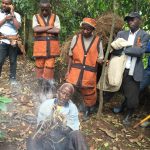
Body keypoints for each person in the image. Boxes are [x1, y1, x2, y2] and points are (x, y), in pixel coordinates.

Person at [111, 12, 149, 125]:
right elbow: (114, 49)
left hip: (133, 69)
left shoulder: (144, 35)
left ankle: (128, 115)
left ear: (139, 20)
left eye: (133, 19)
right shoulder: (122, 33)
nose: (130, 22)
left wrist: (124, 48)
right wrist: (132, 47)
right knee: (112, 87)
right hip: (119, 67)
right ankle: (97, 106)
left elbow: (140, 52)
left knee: (132, 96)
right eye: (128, 20)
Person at [27, 83, 88, 150]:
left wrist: (61, 125)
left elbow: (73, 129)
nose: (64, 97)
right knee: (32, 138)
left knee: (78, 134)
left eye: (67, 95)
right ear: (58, 92)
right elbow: (39, 126)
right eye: (63, 93)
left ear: (70, 98)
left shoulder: (72, 108)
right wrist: (45, 124)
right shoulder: (46, 104)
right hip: (48, 142)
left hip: (64, 143)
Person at [66, 18, 104, 120]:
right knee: (70, 88)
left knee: (89, 92)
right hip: (75, 71)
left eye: (88, 29)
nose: (85, 31)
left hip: (89, 72)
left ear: (93, 30)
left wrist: (101, 61)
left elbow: (100, 57)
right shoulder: (76, 38)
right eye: (84, 29)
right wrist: (67, 71)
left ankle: (88, 110)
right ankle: (68, 107)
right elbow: (70, 55)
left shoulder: (97, 41)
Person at [32, 0, 60, 90]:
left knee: (49, 69)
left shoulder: (56, 17)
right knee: (39, 69)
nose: (44, 12)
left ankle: (47, 90)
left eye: (46, 10)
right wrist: (49, 27)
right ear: (40, 9)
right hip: (39, 50)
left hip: (52, 49)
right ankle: (40, 89)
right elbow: (36, 29)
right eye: (42, 10)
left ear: (50, 8)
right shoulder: (35, 17)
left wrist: (42, 29)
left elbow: (57, 30)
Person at [0, 0, 21, 84]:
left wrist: (12, 14)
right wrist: (5, 19)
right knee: (0, 60)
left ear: (11, 5)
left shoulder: (17, 15)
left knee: (13, 61)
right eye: (3, 3)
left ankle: (12, 78)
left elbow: (17, 27)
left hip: (13, 41)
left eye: (7, 4)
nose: (4, 5)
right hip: (2, 40)